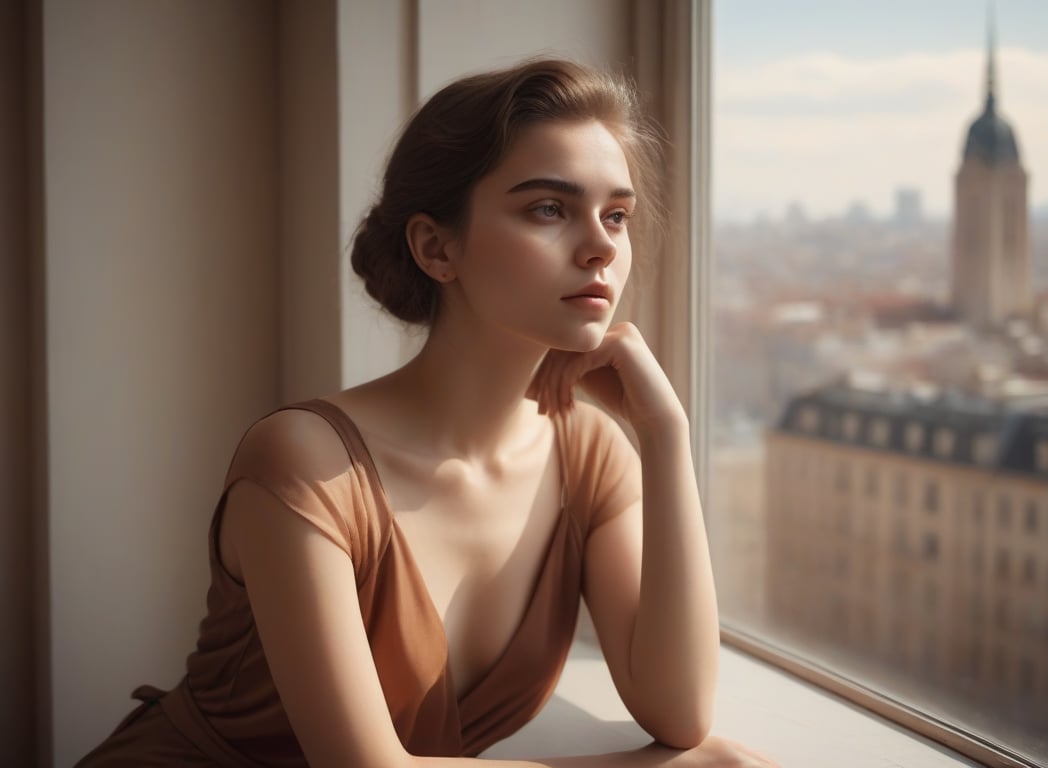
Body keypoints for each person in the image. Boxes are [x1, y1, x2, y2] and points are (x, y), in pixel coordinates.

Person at [77, 58, 777, 768]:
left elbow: (680, 711)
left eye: (617, 215)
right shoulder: (305, 464)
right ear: (437, 247)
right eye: (549, 208)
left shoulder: (591, 457)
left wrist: (666, 434)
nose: (601, 246)